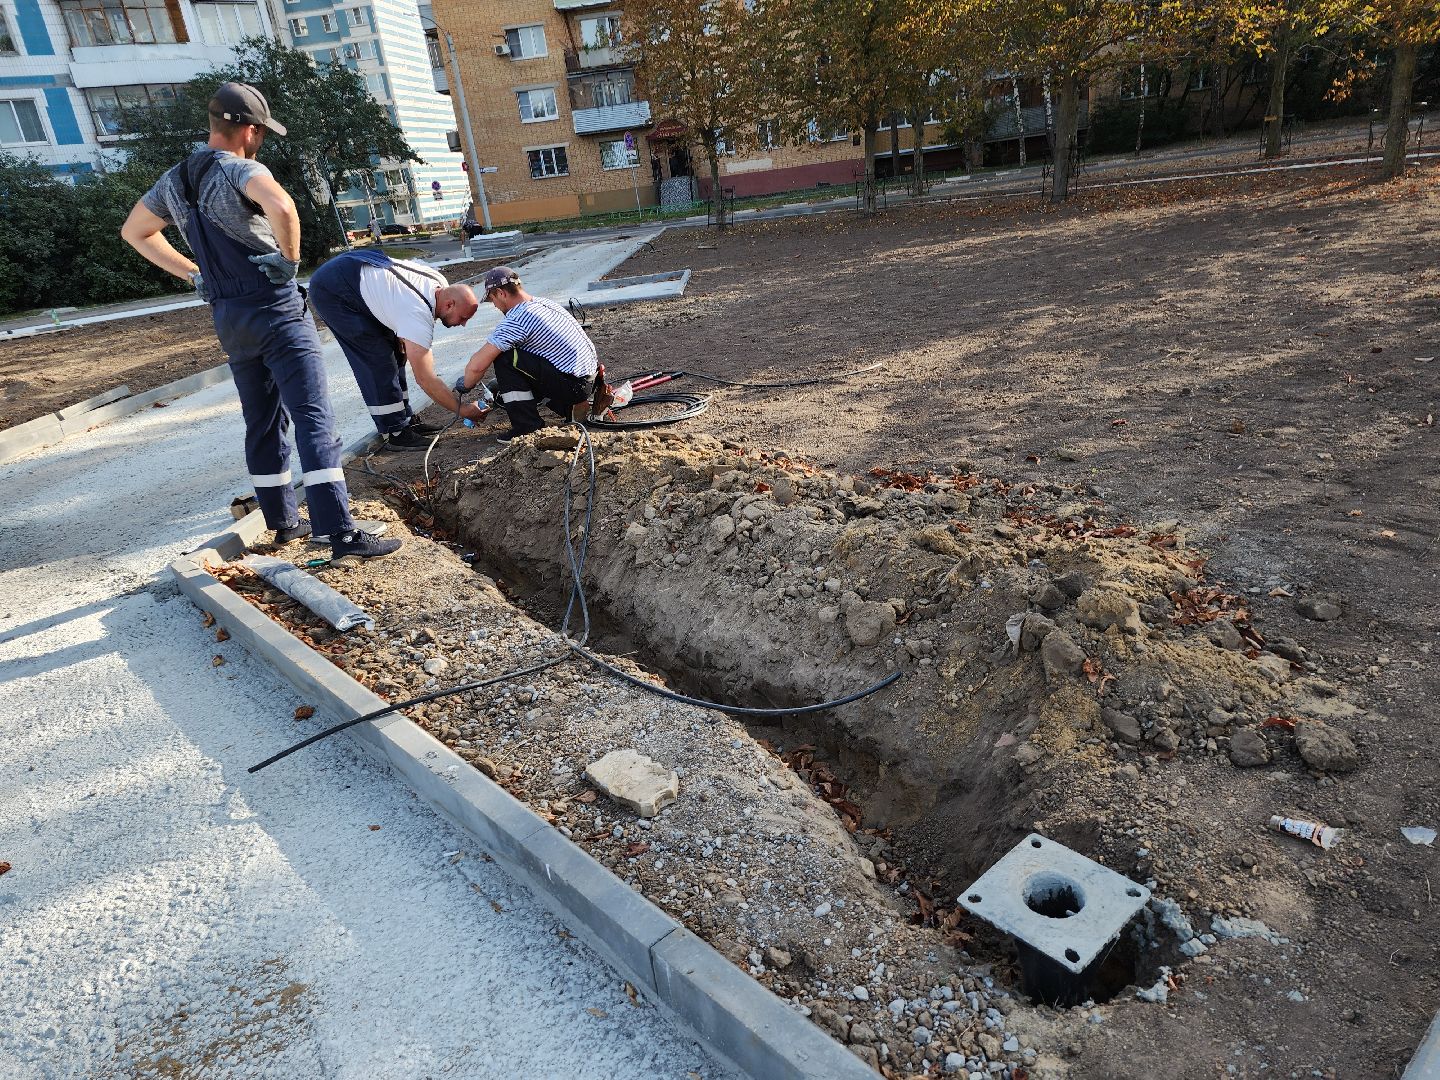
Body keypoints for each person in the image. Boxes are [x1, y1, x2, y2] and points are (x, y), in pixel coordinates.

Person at [120, 81, 399, 560]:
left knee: (262, 421)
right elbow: (282, 205)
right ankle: (340, 532)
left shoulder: (176, 179)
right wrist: (289, 260)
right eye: (261, 131)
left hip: (229, 317)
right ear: (247, 129)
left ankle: (283, 522)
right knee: (314, 418)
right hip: (274, 307)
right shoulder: (240, 169)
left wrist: (194, 274)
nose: (262, 139)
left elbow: (135, 231)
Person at [307, 249, 486, 449]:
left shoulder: (440, 284)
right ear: (450, 304)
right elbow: (426, 379)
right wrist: (463, 410)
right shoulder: (416, 312)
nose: (463, 324)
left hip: (357, 268)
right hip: (333, 289)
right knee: (377, 359)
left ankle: (405, 420)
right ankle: (395, 431)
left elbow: (396, 300)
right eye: (463, 318)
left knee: (398, 352)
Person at [453, 266, 598, 442]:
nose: (496, 306)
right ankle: (568, 408)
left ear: (500, 293)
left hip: (573, 387)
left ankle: (526, 427)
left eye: (492, 300)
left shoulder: (518, 318)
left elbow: (477, 366)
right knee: (522, 359)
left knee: (504, 358)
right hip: (588, 380)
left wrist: (465, 385)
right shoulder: (544, 303)